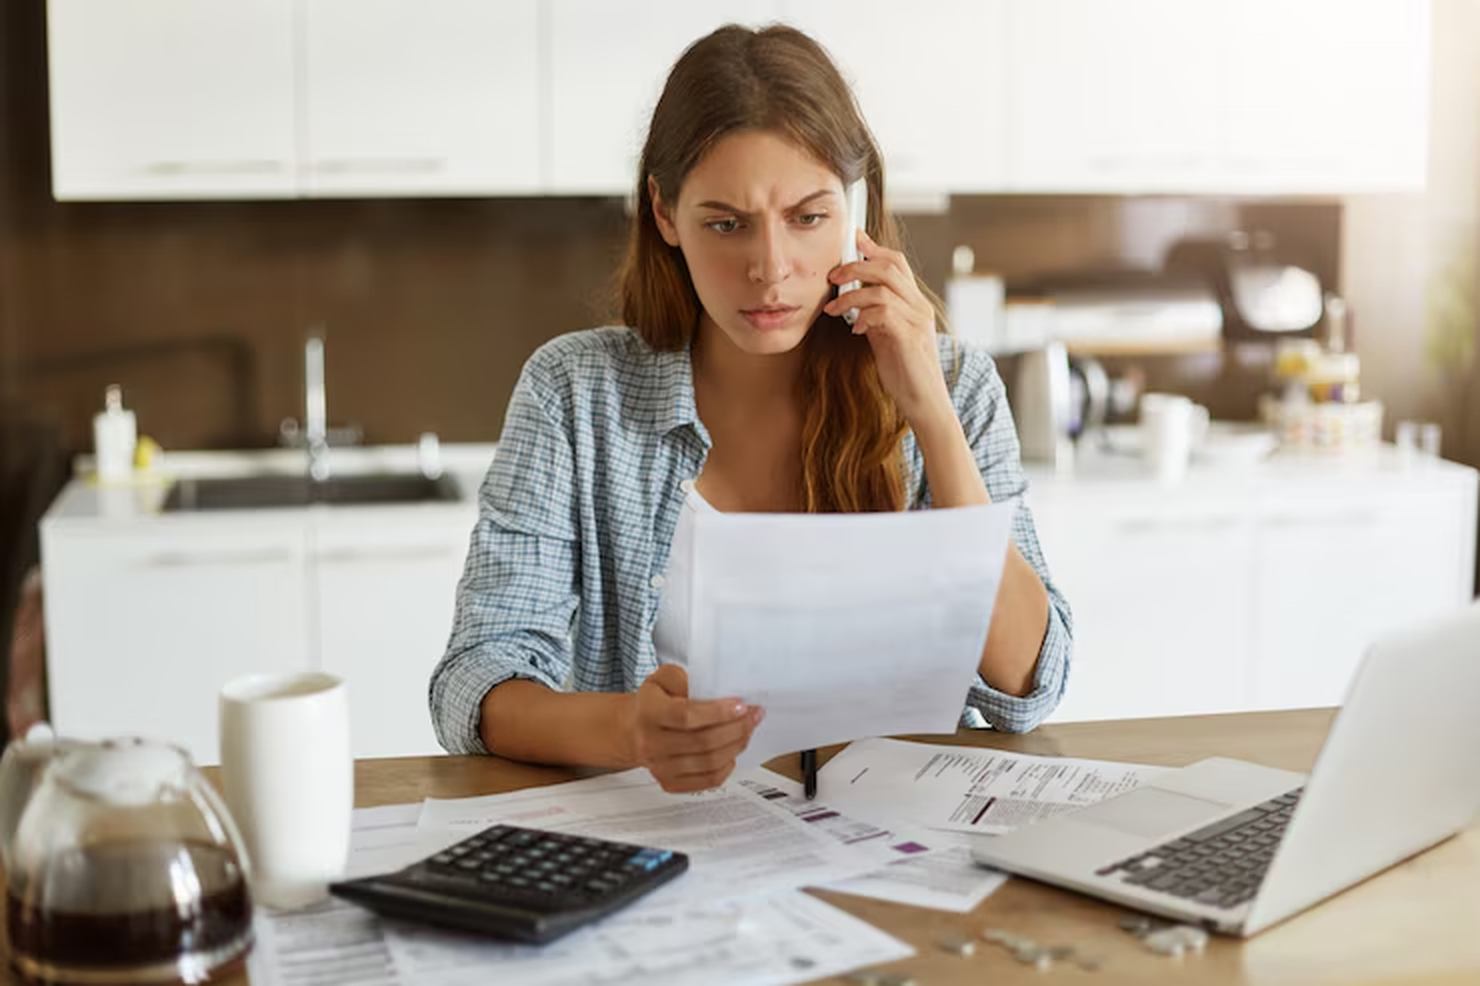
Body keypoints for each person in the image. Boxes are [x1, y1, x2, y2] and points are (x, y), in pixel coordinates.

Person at [430, 24, 1072, 793]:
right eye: (726, 224)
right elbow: (477, 676)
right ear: (665, 215)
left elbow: (1029, 684)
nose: (770, 268)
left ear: (855, 204)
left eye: (807, 217)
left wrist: (929, 410)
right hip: (663, 846)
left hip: (889, 846)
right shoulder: (574, 393)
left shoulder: (955, 385)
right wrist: (629, 730)